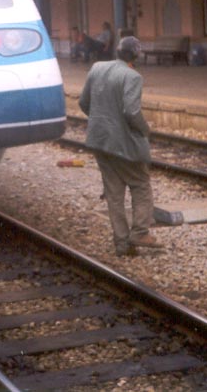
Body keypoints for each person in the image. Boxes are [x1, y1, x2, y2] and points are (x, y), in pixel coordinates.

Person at [78, 36, 162, 257]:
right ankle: (140, 232)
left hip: (99, 140)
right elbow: (131, 111)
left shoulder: (97, 68)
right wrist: (144, 130)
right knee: (141, 184)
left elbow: (83, 103)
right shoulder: (133, 76)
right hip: (122, 143)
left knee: (113, 192)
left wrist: (101, 121)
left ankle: (122, 243)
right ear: (136, 55)